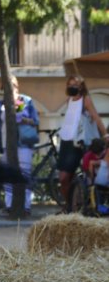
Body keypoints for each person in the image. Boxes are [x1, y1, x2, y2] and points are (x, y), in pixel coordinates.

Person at [0, 75, 39, 216]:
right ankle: (9, 205)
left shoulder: (24, 101)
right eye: (7, 86)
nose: (10, 89)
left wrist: (24, 119)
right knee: (8, 176)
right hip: (6, 144)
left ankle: (26, 205)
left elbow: (35, 120)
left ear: (17, 86)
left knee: (24, 174)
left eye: (13, 86)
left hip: (23, 144)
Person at [57, 75, 107, 213]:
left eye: (75, 85)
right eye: (70, 84)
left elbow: (96, 117)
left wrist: (105, 135)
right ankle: (69, 205)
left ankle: (83, 205)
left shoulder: (86, 100)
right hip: (66, 141)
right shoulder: (69, 100)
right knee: (63, 178)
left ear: (81, 87)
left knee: (76, 175)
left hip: (80, 141)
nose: (72, 87)